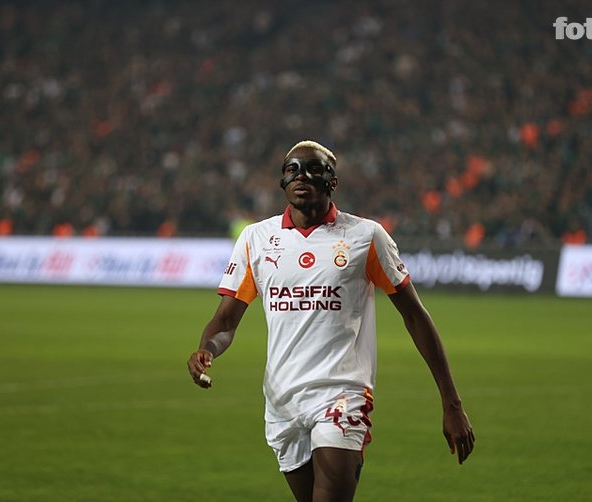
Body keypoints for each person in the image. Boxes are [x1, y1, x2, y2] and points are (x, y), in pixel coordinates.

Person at [187, 140, 475, 501]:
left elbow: (415, 316)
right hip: (282, 400)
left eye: (313, 169)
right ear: (282, 182)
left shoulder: (365, 236)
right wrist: (206, 349)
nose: (301, 176)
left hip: (342, 394)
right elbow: (226, 320)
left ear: (332, 182)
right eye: (292, 170)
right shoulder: (256, 239)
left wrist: (452, 403)